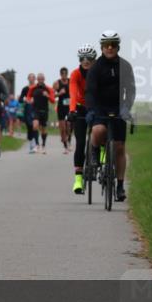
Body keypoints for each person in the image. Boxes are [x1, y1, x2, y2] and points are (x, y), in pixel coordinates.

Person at [86, 30, 136, 202]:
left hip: (118, 106)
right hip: (99, 106)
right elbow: (90, 92)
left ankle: (120, 186)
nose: (109, 48)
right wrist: (92, 109)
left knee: (120, 147)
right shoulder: (95, 68)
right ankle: (94, 149)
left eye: (113, 44)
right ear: (101, 47)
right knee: (99, 130)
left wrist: (127, 107)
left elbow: (130, 90)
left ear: (117, 46)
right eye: (106, 45)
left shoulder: (125, 66)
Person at [68, 44, 96, 194]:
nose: (85, 61)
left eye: (89, 58)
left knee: (100, 135)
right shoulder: (75, 74)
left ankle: (101, 157)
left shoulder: (99, 72)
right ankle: (78, 180)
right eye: (82, 58)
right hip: (80, 107)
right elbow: (72, 92)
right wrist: (72, 110)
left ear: (94, 59)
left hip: (96, 106)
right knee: (80, 143)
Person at [26, 73, 55, 154]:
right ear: (37, 80)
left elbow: (53, 100)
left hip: (44, 110)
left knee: (43, 129)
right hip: (36, 110)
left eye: (42, 79)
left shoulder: (48, 88)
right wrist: (29, 100)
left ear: (44, 79)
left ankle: (43, 145)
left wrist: (48, 96)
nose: (40, 80)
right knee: (35, 125)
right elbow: (28, 96)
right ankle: (37, 145)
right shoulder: (33, 88)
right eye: (39, 79)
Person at [54, 66, 72, 154]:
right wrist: (59, 94)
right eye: (62, 74)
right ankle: (65, 146)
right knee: (62, 128)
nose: (64, 75)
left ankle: (68, 140)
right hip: (61, 107)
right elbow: (52, 95)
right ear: (60, 74)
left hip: (70, 106)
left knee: (68, 125)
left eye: (65, 74)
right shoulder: (57, 83)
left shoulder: (71, 81)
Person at [19, 73, 38, 153]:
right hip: (27, 109)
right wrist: (25, 100)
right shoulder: (25, 89)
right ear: (28, 79)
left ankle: (36, 144)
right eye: (30, 78)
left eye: (33, 78)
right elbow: (20, 99)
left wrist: (35, 100)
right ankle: (31, 143)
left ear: (35, 79)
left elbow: (42, 98)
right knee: (29, 127)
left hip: (36, 109)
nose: (31, 79)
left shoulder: (37, 88)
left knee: (35, 126)